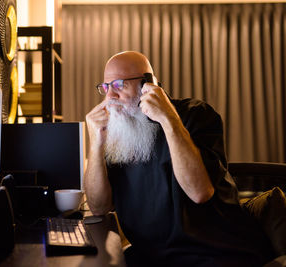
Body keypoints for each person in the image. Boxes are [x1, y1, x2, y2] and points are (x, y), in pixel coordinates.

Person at [84, 51, 273, 267]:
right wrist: (96, 143)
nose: (110, 97)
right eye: (106, 87)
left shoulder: (196, 114)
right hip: (153, 256)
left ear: (149, 84)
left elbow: (200, 192)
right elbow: (99, 208)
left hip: (216, 253)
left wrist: (167, 118)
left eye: (118, 85)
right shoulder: (117, 132)